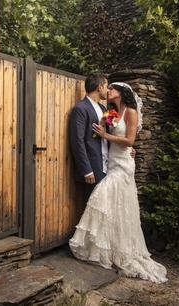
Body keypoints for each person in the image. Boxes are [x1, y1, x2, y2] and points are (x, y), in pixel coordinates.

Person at [69, 82, 167, 283]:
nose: (109, 91)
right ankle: (110, 248)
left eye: (112, 89)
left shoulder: (130, 111)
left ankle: (121, 251)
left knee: (105, 197)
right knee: (113, 206)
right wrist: (101, 134)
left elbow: (130, 140)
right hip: (110, 162)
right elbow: (98, 133)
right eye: (108, 87)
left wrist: (109, 137)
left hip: (123, 164)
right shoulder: (110, 111)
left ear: (122, 93)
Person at [69, 74, 109, 206]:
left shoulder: (103, 109)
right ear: (100, 87)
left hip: (107, 164)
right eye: (106, 86)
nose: (108, 90)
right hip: (93, 166)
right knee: (93, 207)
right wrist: (86, 169)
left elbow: (105, 134)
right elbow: (77, 141)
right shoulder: (80, 108)